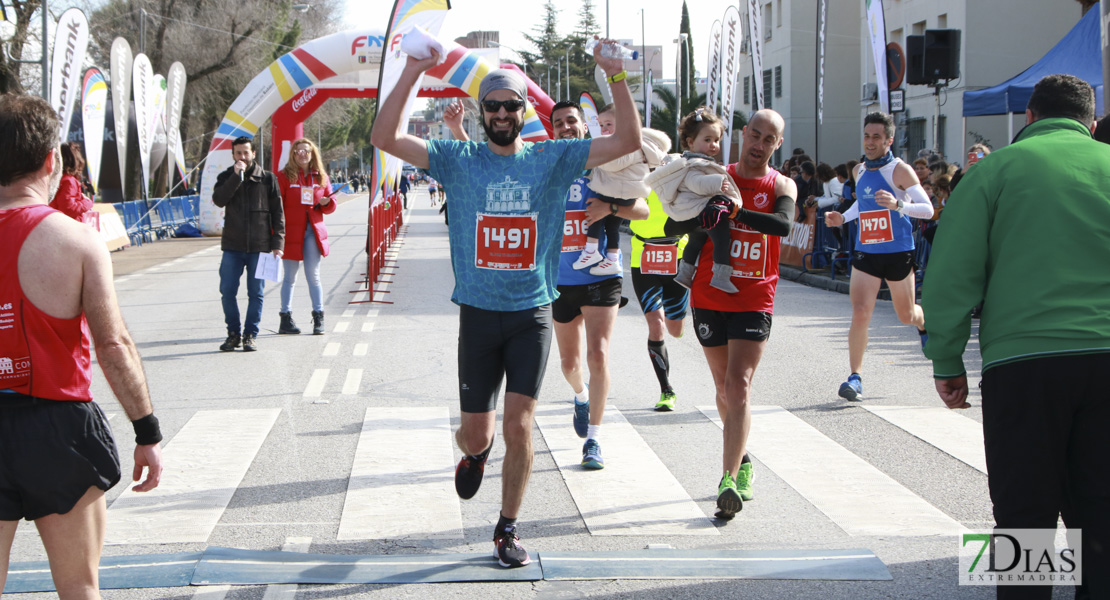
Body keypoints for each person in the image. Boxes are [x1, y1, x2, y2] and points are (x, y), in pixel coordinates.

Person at [370, 40, 642, 568]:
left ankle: (507, 528)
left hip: (532, 313)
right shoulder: (458, 158)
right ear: (481, 111)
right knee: (479, 432)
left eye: (511, 105)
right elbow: (384, 137)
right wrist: (412, 69)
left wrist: (616, 76)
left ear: (524, 112)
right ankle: (474, 452)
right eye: (492, 105)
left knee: (520, 425)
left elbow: (629, 140)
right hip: (477, 312)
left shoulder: (551, 157)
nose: (501, 113)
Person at [924, 74, 1110, 600]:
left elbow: (952, 276)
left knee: (1024, 518)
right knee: (1101, 512)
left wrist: (946, 359)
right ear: (1090, 125)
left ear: (1029, 117)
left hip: (1024, 362)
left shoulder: (993, 171)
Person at [0, 92, 163, 599]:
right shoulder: (75, 240)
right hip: (58, 428)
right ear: (52, 161)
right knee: (79, 588)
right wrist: (146, 431)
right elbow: (112, 345)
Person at [688, 109, 796, 519]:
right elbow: (690, 222)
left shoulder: (781, 183)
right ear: (743, 134)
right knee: (722, 388)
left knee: (739, 388)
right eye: (755, 134)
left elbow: (783, 225)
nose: (759, 143)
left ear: (777, 145)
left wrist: (735, 213)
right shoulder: (718, 176)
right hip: (710, 293)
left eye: (769, 139)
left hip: (754, 296)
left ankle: (728, 479)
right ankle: (744, 457)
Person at [823, 112, 932, 402]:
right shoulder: (859, 170)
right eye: (867, 136)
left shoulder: (900, 170)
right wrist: (842, 218)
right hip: (867, 251)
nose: (870, 142)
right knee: (860, 312)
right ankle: (854, 377)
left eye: (876, 137)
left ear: (889, 140)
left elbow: (928, 209)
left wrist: (899, 205)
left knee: (906, 314)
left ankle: (924, 322)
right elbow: (863, 203)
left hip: (898, 251)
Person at [647, 108, 744, 294]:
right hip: (700, 208)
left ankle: (684, 273)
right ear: (690, 142)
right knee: (722, 238)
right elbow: (696, 183)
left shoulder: (695, 161)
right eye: (707, 140)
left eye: (716, 140)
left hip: (694, 210)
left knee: (696, 240)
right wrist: (718, 182)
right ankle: (721, 276)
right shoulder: (694, 163)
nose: (713, 145)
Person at [570, 103, 669, 277]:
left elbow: (613, 164)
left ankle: (592, 250)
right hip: (622, 190)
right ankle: (612, 258)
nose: (604, 129)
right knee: (611, 226)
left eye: (609, 124)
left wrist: (594, 157)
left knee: (595, 215)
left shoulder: (627, 145)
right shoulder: (631, 145)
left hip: (619, 191)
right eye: (601, 125)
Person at [212, 136, 285, 352]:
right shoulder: (226, 176)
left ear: (254, 153)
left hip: (259, 247)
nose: (242, 157)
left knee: (256, 293)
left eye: (246, 152)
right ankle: (233, 334)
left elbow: (278, 213)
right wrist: (235, 177)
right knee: (227, 291)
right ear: (233, 155)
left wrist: (277, 242)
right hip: (232, 246)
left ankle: (250, 334)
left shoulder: (268, 179)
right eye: (238, 153)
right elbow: (219, 200)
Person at [629, 189, 690, 411]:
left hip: (677, 255)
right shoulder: (637, 176)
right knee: (656, 325)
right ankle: (667, 389)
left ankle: (678, 320)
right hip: (643, 256)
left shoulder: (680, 177)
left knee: (674, 329)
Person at [276, 138, 334, 336]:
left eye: (306, 151)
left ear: (312, 154)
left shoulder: (321, 177)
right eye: (298, 151)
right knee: (289, 277)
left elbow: (330, 205)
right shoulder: (284, 177)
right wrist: (276, 234)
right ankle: (285, 317)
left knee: (313, 276)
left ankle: (318, 316)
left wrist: (326, 202)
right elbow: (277, 207)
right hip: (291, 232)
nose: (302, 154)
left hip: (313, 231)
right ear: (293, 154)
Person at [49, 142, 94, 222]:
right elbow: (68, 209)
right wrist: (87, 202)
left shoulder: (57, 179)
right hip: (68, 226)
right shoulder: (69, 181)